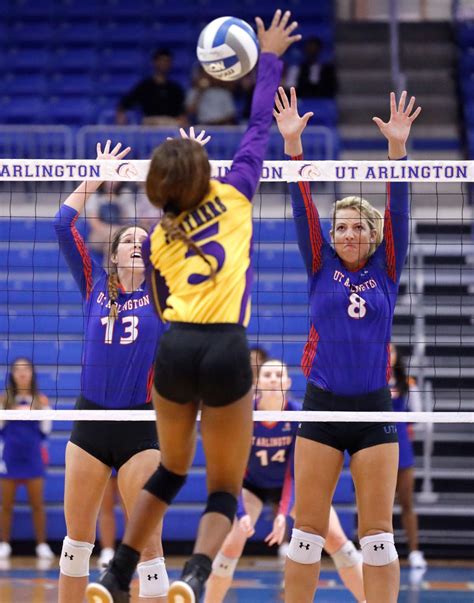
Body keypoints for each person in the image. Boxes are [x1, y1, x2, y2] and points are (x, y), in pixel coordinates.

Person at [86, 10, 301, 603]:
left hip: (176, 346)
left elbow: (156, 301)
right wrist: (270, 55)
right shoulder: (234, 194)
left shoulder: (157, 235)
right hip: (227, 347)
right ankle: (196, 577)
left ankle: (113, 574)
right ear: (205, 173)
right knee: (223, 485)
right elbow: (259, 122)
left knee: (169, 469)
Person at [274, 86, 421, 603]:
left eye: (359, 227)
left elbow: (397, 203)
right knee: (307, 533)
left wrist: (396, 152)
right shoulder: (320, 262)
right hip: (321, 406)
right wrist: (294, 146)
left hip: (374, 408)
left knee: (377, 538)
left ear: (375, 236)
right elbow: (302, 201)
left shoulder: (387, 267)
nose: (348, 233)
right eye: (341, 226)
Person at [54, 140, 172, 603]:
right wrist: (97, 176)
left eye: (144, 243)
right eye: (128, 241)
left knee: (150, 547)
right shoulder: (93, 286)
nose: (137, 246)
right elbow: (62, 223)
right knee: (76, 544)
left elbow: (186, 232)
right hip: (90, 423)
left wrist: (184, 172)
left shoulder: (162, 296)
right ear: (116, 254)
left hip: (141, 424)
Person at [204, 359, 366, 603]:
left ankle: (368, 599)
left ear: (288, 382)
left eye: (278, 375)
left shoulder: (297, 415)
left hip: (293, 486)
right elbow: (232, 470)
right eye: (267, 374)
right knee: (229, 547)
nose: (272, 379)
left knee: (338, 542)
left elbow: (293, 473)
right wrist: (241, 513)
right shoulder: (244, 416)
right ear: (257, 382)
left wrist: (283, 513)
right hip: (253, 487)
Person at [0, 358, 54, 561]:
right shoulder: (4, 400)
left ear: (32, 374)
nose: (22, 374)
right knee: (5, 504)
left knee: (38, 504)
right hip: (10, 458)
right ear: (12, 375)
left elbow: (46, 430)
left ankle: (42, 545)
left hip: (32, 457)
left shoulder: (41, 401)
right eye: (18, 370)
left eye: (26, 369)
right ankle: (4, 544)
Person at [389, 344, 427, 570]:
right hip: (376, 443)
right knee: (377, 504)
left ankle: (414, 552)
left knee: (406, 502)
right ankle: (373, 549)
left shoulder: (407, 383)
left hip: (402, 444)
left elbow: (417, 415)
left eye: (391, 352)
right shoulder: (369, 381)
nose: (387, 355)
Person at [116, 48, 186, 126]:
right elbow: (125, 103)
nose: (163, 64)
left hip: (170, 123)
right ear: (155, 62)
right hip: (150, 123)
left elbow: (182, 112)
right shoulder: (144, 86)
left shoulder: (175, 88)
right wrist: (121, 114)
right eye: (161, 60)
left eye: (166, 61)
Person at [96, 471, 124, 568]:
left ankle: (133, 552)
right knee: (105, 507)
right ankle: (107, 551)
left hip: (129, 459)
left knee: (131, 510)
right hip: (105, 460)